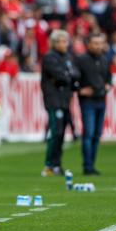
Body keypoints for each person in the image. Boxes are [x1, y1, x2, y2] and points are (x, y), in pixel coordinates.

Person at [40, 29, 80, 177]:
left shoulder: (68, 57)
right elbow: (61, 75)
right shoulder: (49, 57)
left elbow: (76, 73)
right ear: (54, 43)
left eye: (66, 41)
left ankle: (57, 164)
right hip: (53, 99)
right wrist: (68, 75)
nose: (65, 44)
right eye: (62, 41)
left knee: (61, 133)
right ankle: (49, 165)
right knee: (56, 131)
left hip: (64, 99)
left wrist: (67, 75)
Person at [75, 33, 112, 176]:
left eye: (100, 43)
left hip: (101, 100)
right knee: (89, 133)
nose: (98, 46)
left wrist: (109, 85)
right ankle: (87, 165)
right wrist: (80, 90)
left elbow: (109, 77)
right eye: (95, 43)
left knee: (96, 135)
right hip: (88, 101)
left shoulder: (104, 59)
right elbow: (73, 77)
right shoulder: (81, 60)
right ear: (88, 44)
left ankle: (92, 164)